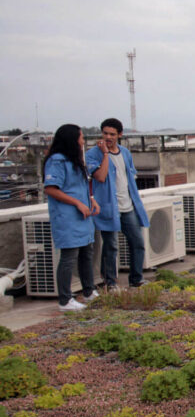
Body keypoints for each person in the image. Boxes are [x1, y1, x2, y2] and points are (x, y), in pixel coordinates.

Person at [86, 117, 150, 289]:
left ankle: (136, 279)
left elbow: (130, 178)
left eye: (112, 134)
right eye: (105, 133)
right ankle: (110, 283)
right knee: (111, 247)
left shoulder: (125, 153)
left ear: (119, 135)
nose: (108, 137)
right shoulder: (93, 154)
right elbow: (99, 176)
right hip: (108, 207)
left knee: (137, 242)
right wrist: (105, 154)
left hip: (127, 205)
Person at [43, 124, 99, 311]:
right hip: (68, 216)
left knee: (86, 253)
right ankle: (65, 300)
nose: (83, 141)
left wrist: (90, 199)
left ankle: (89, 291)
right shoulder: (57, 161)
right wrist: (76, 203)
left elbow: (79, 186)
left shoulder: (74, 160)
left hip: (82, 215)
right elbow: (51, 189)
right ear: (71, 139)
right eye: (81, 137)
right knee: (69, 257)